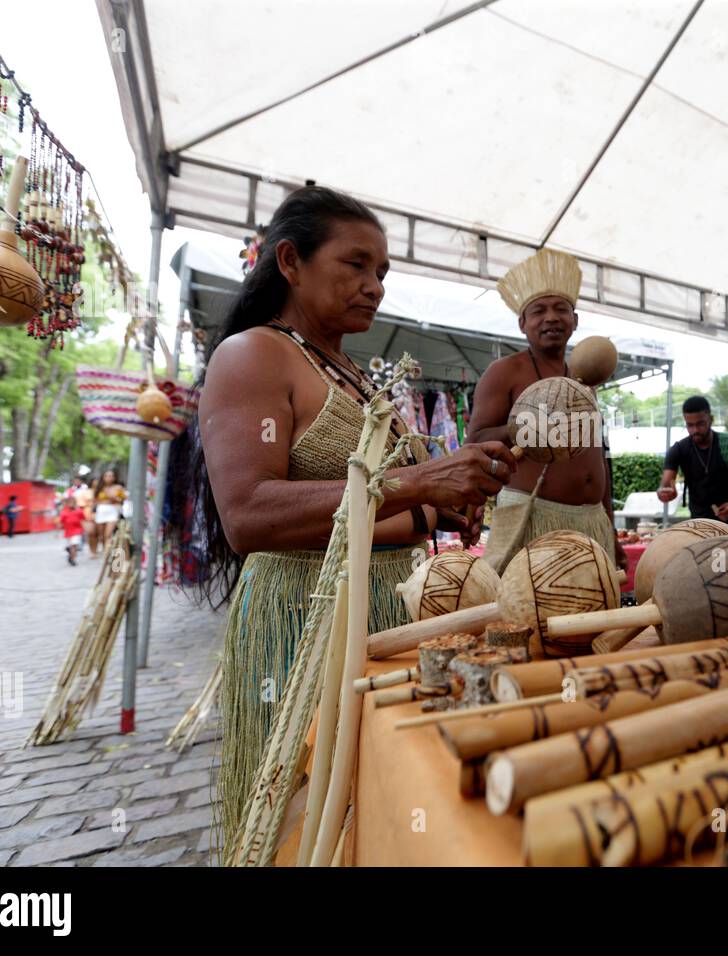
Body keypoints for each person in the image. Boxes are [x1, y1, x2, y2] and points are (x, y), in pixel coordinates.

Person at [192, 185, 515, 849]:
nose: (375, 286)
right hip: (300, 623)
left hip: (386, 618)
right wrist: (419, 482)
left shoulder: (354, 374)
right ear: (290, 261)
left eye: (384, 273)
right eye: (356, 265)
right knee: (304, 821)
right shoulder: (253, 354)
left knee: (371, 818)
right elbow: (248, 514)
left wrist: (437, 499)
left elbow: (400, 513)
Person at [463, 249, 624, 570]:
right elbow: (476, 442)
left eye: (561, 309)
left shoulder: (584, 383)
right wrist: (527, 426)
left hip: (593, 523)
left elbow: (599, 457)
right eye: (538, 311)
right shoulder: (504, 372)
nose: (551, 317)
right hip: (532, 515)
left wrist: (610, 527)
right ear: (522, 323)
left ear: (575, 321)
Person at [657, 396, 728, 531]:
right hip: (699, 526)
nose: (695, 430)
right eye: (690, 425)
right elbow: (665, 485)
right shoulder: (679, 450)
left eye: (700, 424)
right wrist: (664, 493)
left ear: (711, 420)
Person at [91, 470, 126, 551]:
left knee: (108, 534)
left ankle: (108, 551)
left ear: (114, 477)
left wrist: (112, 497)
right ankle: (105, 550)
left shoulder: (118, 487)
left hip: (112, 511)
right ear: (103, 477)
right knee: (102, 535)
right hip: (101, 511)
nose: (109, 478)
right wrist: (93, 512)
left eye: (111, 476)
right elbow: (95, 501)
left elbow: (123, 500)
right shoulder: (99, 488)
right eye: (107, 476)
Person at [58, 498, 85, 566]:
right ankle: (71, 554)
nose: (71, 504)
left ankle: (72, 559)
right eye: (69, 503)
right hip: (68, 532)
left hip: (77, 531)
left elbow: (83, 519)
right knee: (69, 546)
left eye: (73, 503)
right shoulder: (64, 512)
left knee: (74, 545)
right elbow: (61, 522)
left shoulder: (79, 511)